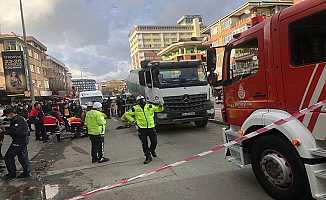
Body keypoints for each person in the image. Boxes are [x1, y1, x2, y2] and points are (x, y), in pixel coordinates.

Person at [123, 95, 164, 164]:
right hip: (142, 129)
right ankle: (148, 157)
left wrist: (160, 105)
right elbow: (127, 114)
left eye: (143, 99)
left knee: (154, 142)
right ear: (137, 102)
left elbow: (159, 109)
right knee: (144, 144)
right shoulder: (135, 108)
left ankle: (152, 150)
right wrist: (133, 121)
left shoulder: (150, 106)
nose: (142, 101)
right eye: (140, 100)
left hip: (151, 127)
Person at [0, 107, 31, 180]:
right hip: (22, 140)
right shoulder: (17, 119)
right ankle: (26, 172)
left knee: (8, 157)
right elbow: (13, 128)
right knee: (22, 157)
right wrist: (6, 128)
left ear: (11, 114)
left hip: (19, 141)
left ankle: (12, 174)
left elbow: (16, 131)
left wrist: (4, 131)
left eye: (7, 115)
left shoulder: (18, 120)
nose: (7, 117)